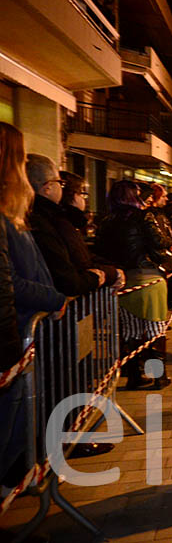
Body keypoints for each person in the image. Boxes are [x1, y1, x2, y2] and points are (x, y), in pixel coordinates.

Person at [0, 123, 67, 490]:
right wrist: (56, 298)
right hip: (14, 336)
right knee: (10, 421)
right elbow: (9, 282)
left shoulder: (15, 218)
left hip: (21, 335)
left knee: (18, 423)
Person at [94, 180, 172, 389]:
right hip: (148, 277)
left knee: (131, 331)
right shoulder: (143, 216)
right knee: (155, 328)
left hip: (122, 280)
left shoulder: (106, 221)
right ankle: (158, 376)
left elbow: (100, 249)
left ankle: (134, 376)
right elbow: (160, 241)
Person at [25, 155, 107, 296]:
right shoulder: (46, 222)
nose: (61, 188)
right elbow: (66, 279)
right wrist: (95, 278)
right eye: (59, 183)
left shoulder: (45, 218)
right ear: (48, 188)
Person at [57, 171, 124, 292]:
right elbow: (82, 264)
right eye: (82, 194)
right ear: (71, 196)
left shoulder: (68, 224)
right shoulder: (62, 225)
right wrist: (112, 273)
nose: (85, 200)